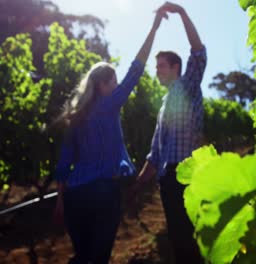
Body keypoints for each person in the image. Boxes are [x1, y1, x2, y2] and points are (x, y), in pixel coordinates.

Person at [52, 10, 165, 264]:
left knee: (82, 257)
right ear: (103, 86)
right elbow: (136, 70)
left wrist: (60, 201)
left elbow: (63, 163)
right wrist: (154, 29)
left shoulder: (76, 115)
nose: (116, 87)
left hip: (74, 196)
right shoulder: (109, 104)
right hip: (103, 192)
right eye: (113, 83)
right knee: (98, 258)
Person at [131, 2, 206, 264]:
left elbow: (199, 52)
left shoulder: (188, 87)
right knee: (177, 239)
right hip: (167, 180)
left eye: (161, 65)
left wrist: (183, 13)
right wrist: (139, 183)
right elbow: (155, 153)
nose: (157, 71)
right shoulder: (163, 105)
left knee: (188, 238)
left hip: (185, 175)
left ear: (176, 67)